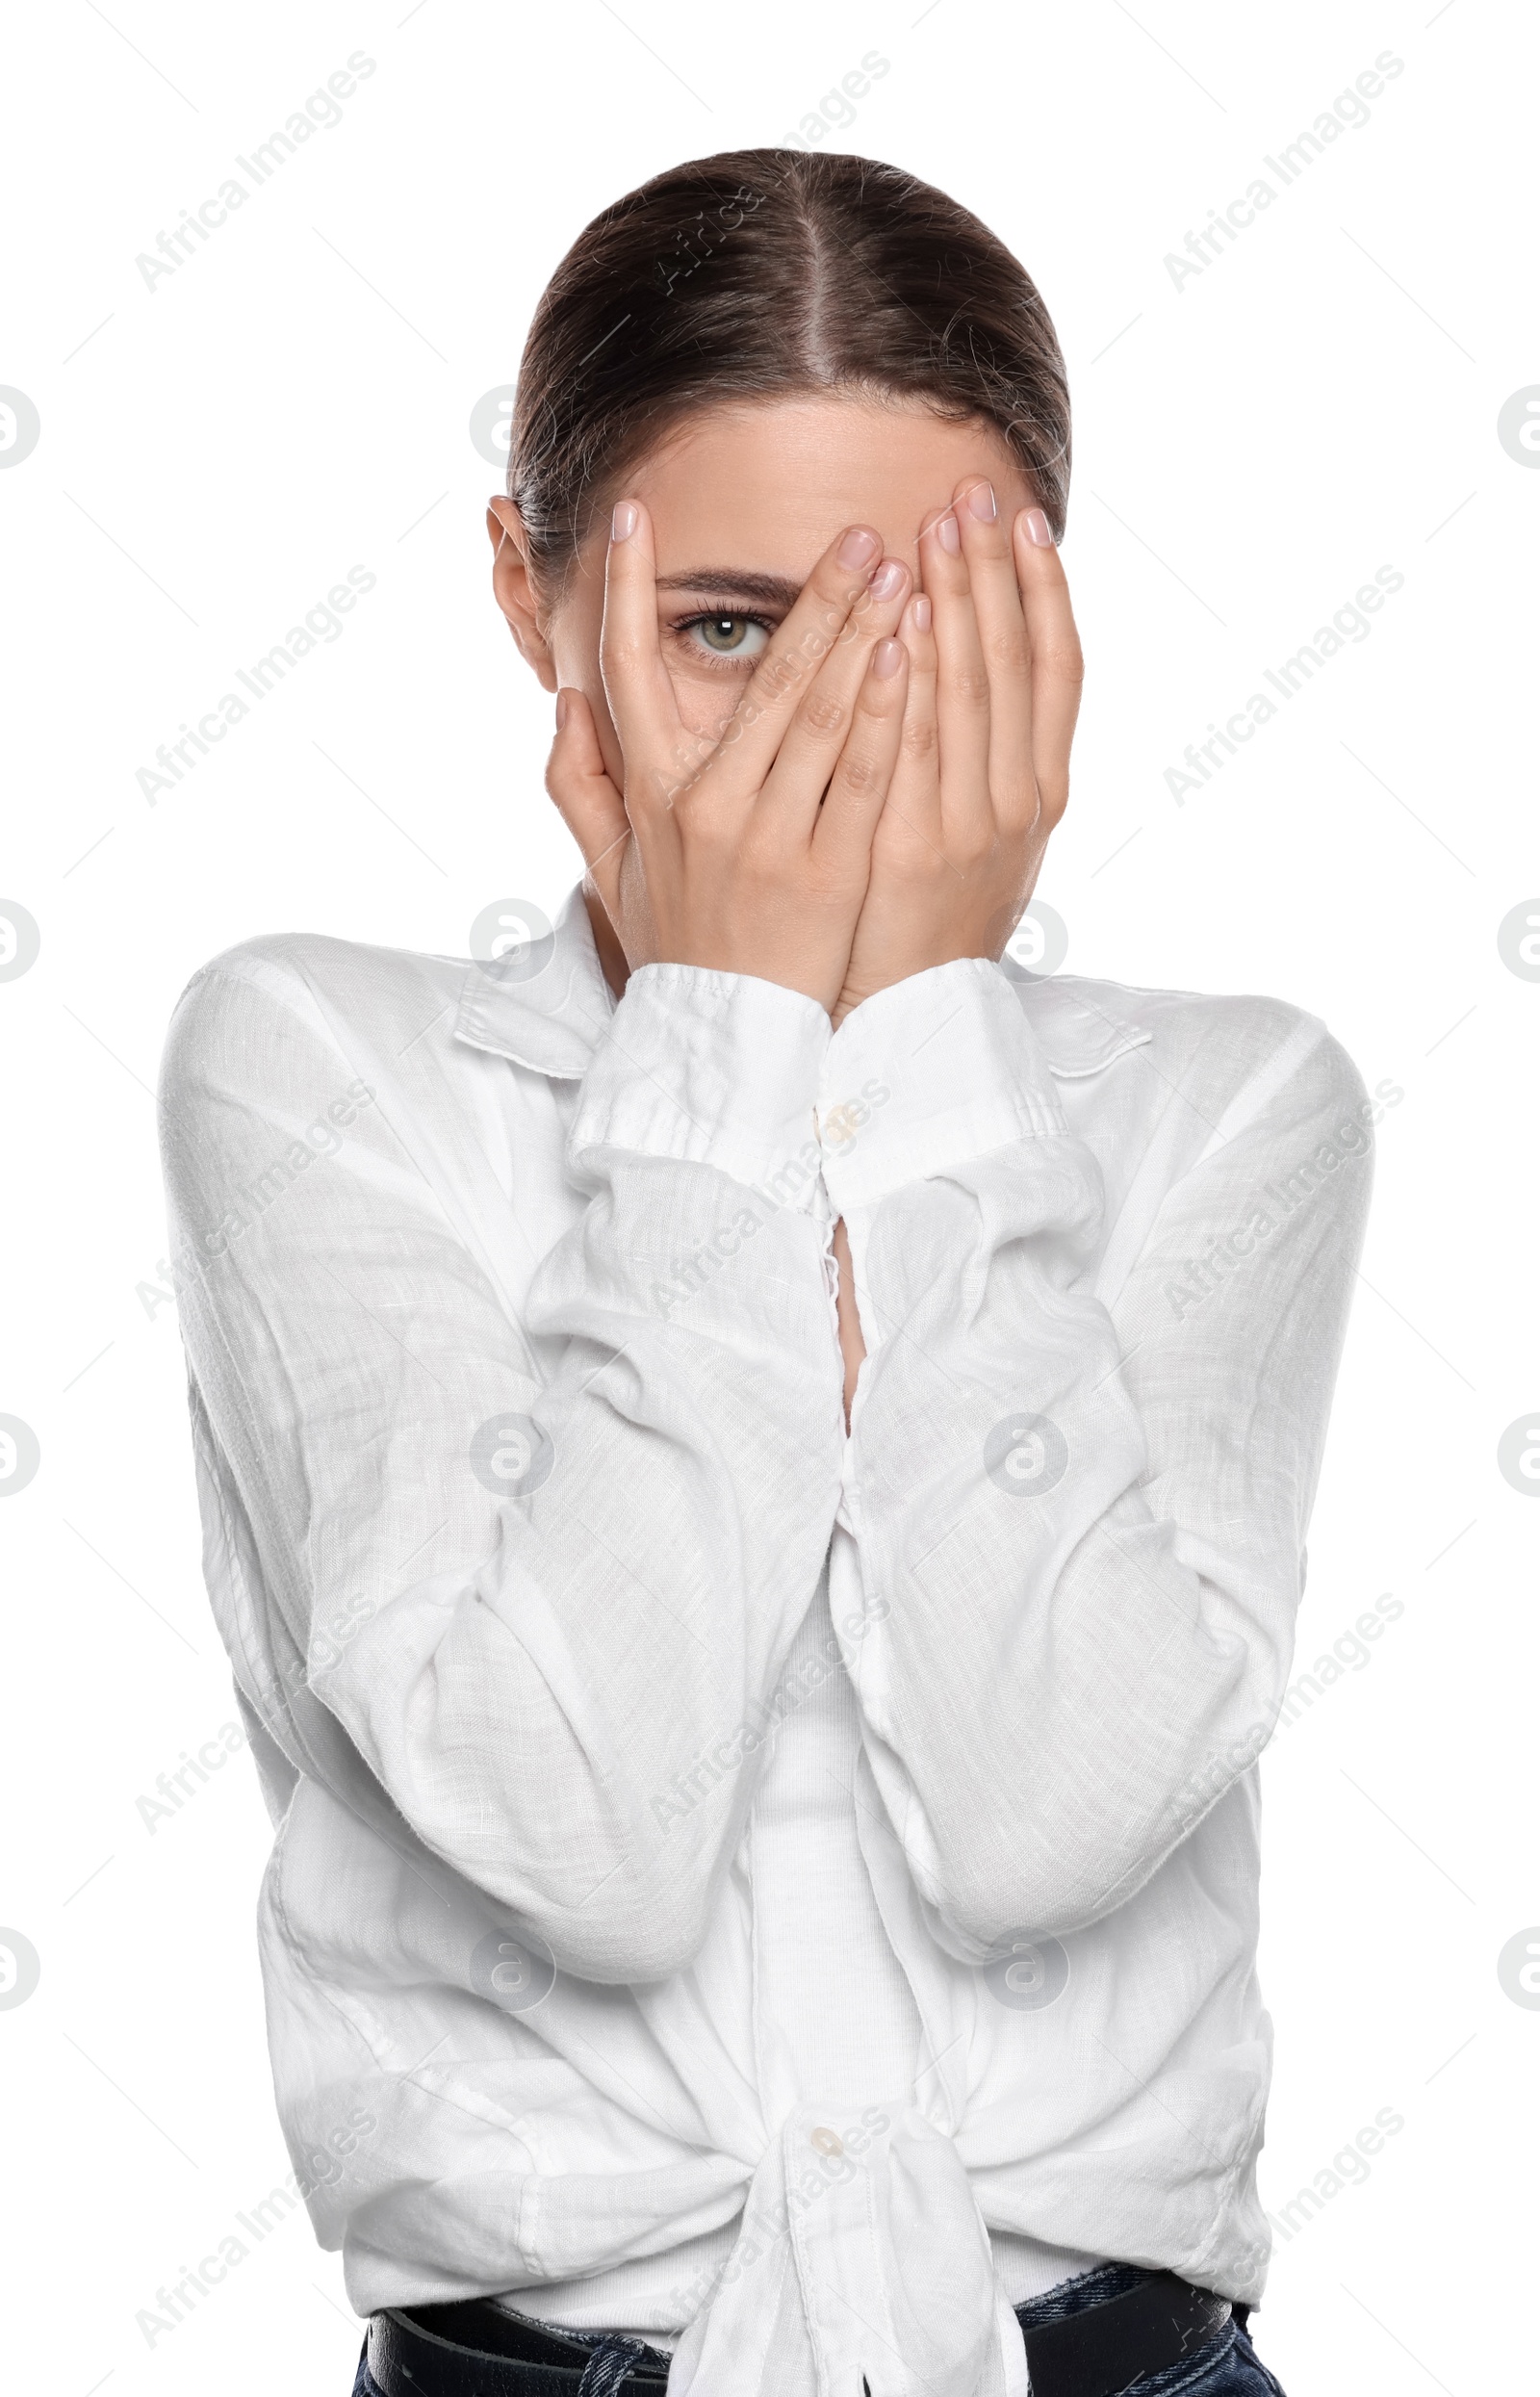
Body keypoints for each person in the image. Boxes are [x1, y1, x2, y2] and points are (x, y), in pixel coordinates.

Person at [158, 149, 1372, 2397]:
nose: (833, 733)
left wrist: (913, 1047)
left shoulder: (1228, 1108)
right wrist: (728, 1046)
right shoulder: (319, 1067)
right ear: (532, 607)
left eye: (913, 631)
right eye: (730, 626)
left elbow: (1041, 1831)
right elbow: (573, 1835)